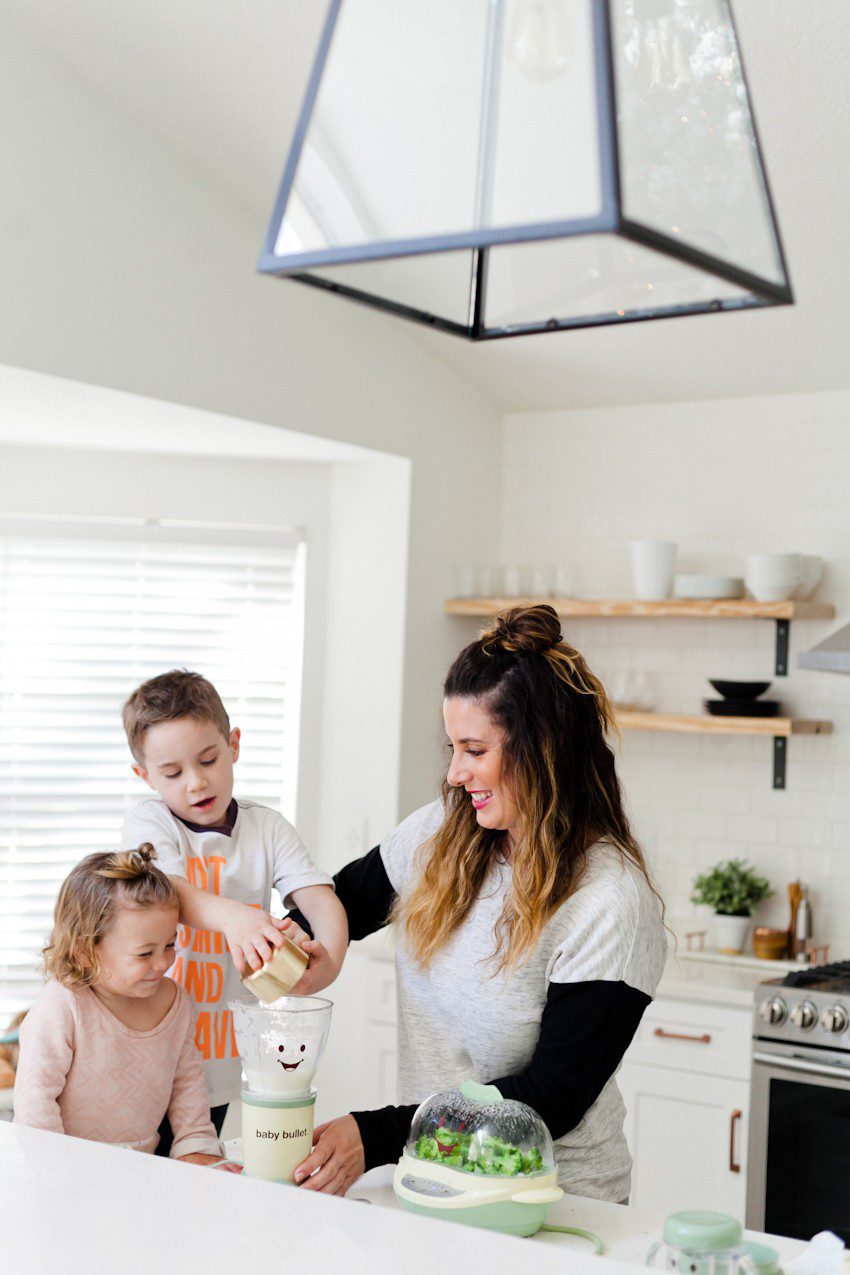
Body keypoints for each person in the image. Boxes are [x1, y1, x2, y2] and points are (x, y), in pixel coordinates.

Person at [291, 605, 667, 1202]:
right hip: (431, 1181)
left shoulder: (611, 901)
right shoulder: (440, 833)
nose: (455, 773)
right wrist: (282, 941)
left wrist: (378, 1135)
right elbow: (339, 903)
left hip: (550, 1203)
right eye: (453, 748)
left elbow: (551, 1099)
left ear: (544, 750)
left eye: (475, 749)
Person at [120, 669, 348, 1154]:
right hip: (147, 1051)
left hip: (218, 1058)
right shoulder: (150, 821)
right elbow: (168, 890)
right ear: (145, 776)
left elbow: (319, 898)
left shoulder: (267, 829)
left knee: (196, 1172)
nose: (196, 782)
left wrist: (329, 958)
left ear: (234, 745)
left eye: (208, 759)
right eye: (173, 773)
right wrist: (235, 918)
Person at [14, 846, 226, 1164]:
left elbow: (188, 1084)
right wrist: (53, 1169)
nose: (163, 963)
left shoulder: (175, 1003)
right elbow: (35, 1103)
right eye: (144, 953)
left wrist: (196, 1146)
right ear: (85, 950)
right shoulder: (64, 1004)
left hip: (139, 1168)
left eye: (170, 945)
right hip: (66, 1170)